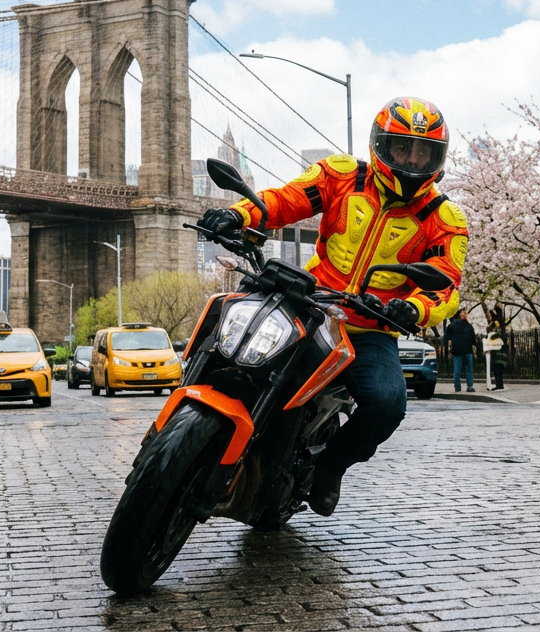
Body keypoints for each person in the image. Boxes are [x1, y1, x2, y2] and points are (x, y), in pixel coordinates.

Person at [196, 96, 466, 517]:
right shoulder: (341, 175)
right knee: (227, 332)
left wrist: (412, 310)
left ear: (437, 156)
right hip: (309, 306)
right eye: (402, 147)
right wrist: (240, 214)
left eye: (423, 151)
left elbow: (446, 286)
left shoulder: (445, 217)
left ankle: (331, 466)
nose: (412, 159)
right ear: (382, 145)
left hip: (370, 327)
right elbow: (284, 201)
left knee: (387, 403)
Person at [444, 310, 476, 392]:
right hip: (467, 349)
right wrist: (474, 349)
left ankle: (457, 386)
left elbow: (447, 336)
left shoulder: (453, 325)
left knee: (457, 369)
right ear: (466, 316)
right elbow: (473, 339)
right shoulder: (469, 326)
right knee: (469, 369)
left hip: (457, 349)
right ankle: (470, 386)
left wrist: (448, 345)